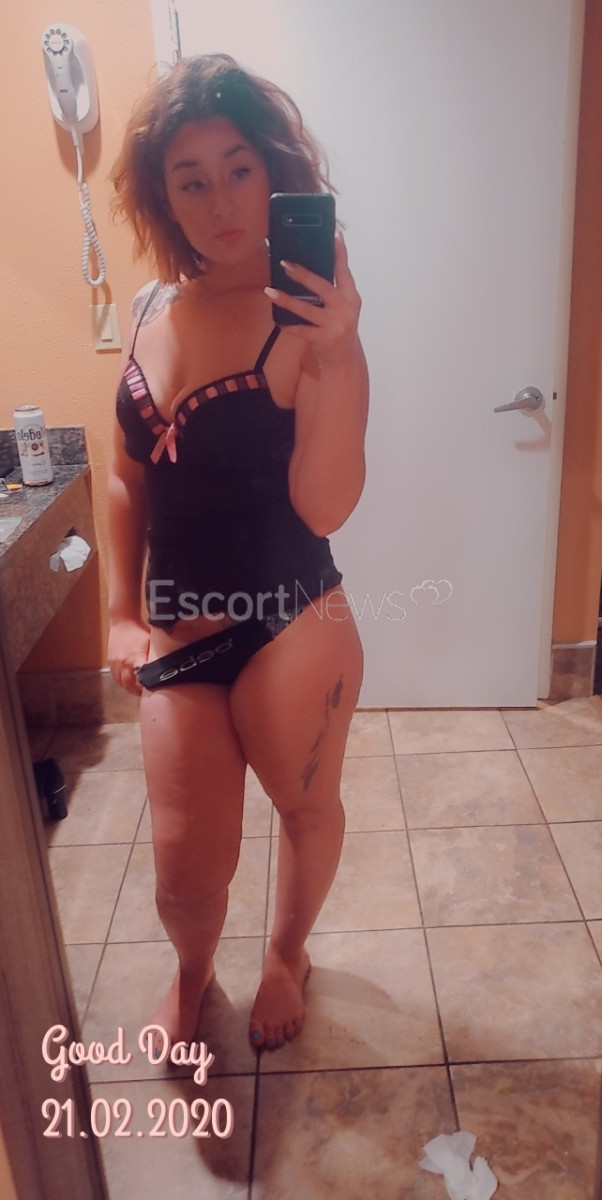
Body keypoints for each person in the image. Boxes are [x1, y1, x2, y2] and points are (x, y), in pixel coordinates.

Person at [107, 53, 369, 1053]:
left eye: (238, 170)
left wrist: (338, 352)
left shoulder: (310, 323)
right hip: (178, 631)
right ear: (162, 196)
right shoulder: (144, 311)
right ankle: (193, 972)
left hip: (290, 623)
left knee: (306, 809)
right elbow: (129, 477)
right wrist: (120, 615)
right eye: (191, 180)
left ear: (273, 172)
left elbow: (326, 502)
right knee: (184, 871)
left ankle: (286, 956)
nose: (219, 202)